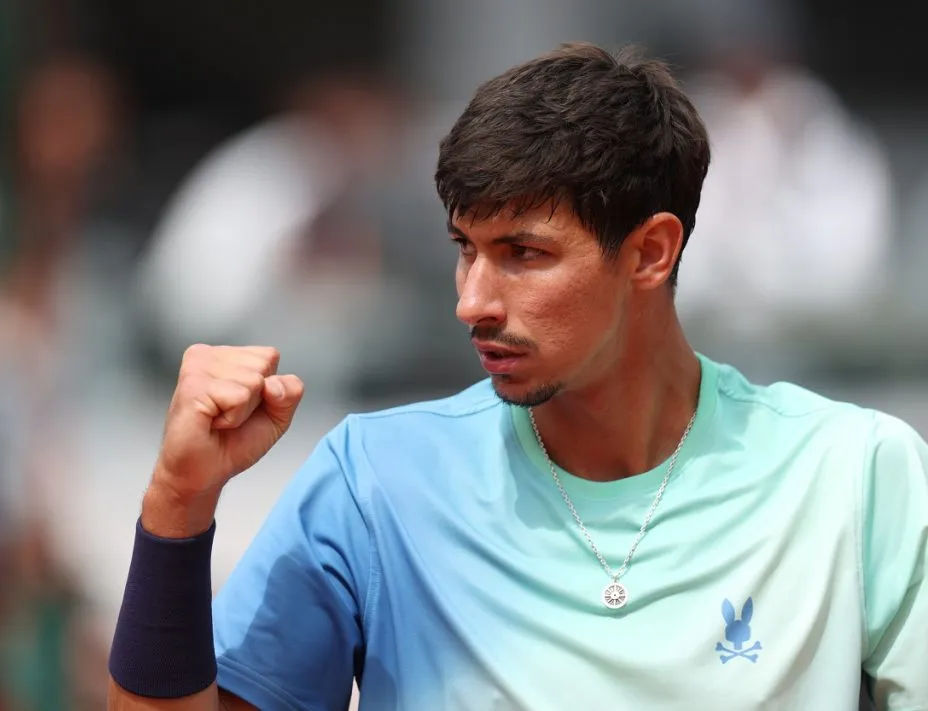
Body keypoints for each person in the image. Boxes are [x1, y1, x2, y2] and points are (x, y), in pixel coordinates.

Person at [107, 43, 928, 710]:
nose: (471, 301)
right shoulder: (374, 483)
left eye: (523, 254)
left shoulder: (857, 473)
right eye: (465, 247)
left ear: (651, 252)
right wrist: (177, 505)